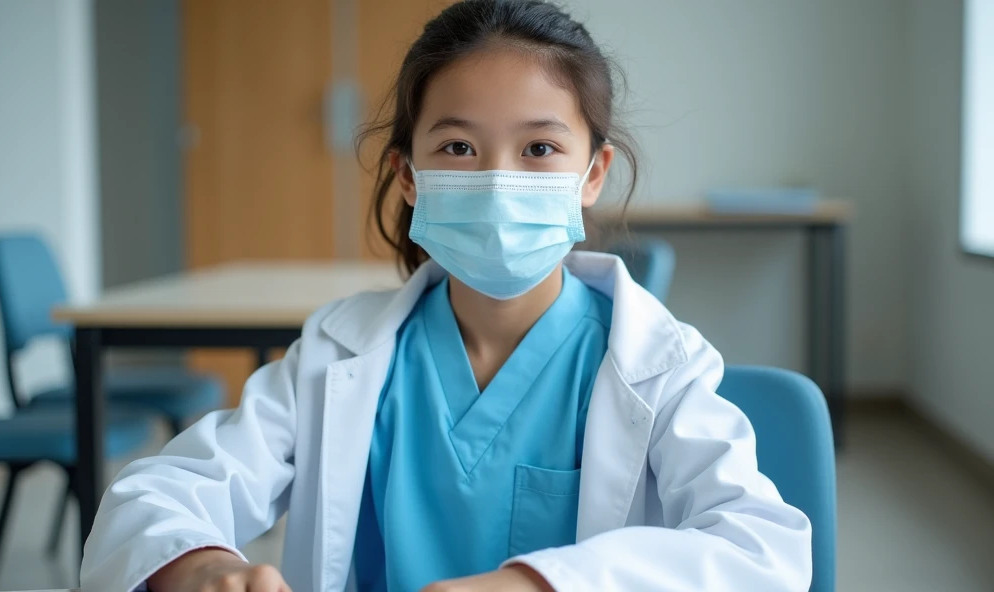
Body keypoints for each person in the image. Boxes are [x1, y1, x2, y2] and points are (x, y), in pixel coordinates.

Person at [80, 1, 812, 591]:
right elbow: (159, 495)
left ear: (593, 174)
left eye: (539, 149)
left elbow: (761, 550)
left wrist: (539, 584)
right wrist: (202, 566)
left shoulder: (658, 367)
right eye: (458, 147)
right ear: (408, 175)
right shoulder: (336, 357)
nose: (499, 180)